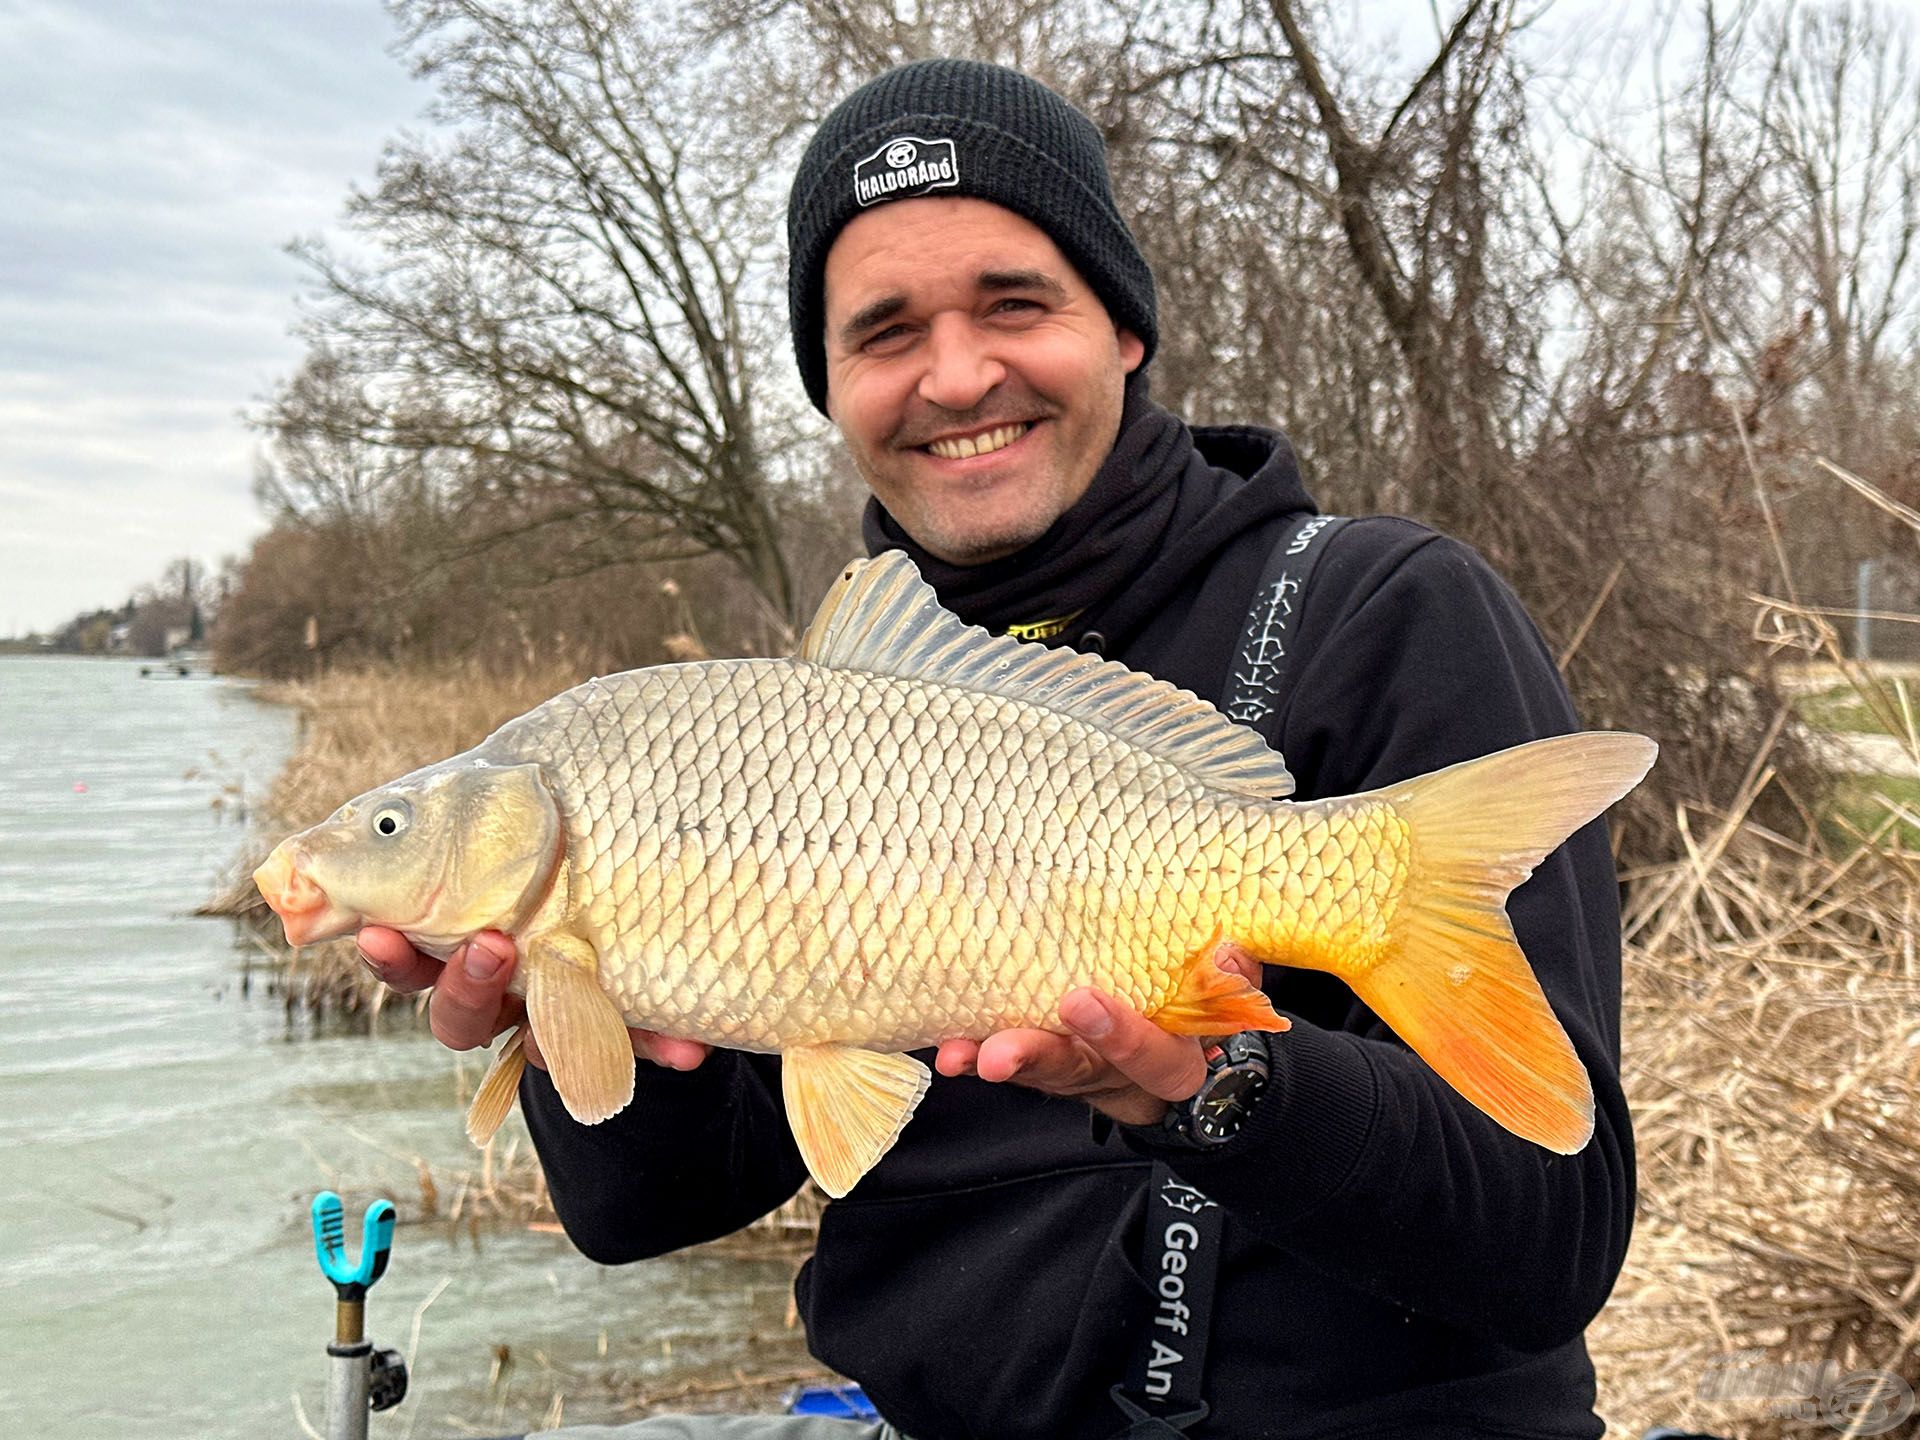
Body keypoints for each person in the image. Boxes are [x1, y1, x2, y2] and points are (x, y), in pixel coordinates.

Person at [358, 59, 1635, 1440]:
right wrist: (569, 1024)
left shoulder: (1385, 611)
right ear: (833, 384)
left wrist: (1217, 1084)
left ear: (1124, 327)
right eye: (885, 331)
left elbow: (1550, 1240)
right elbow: (637, 1213)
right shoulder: (775, 737)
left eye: (1016, 303)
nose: (957, 375)